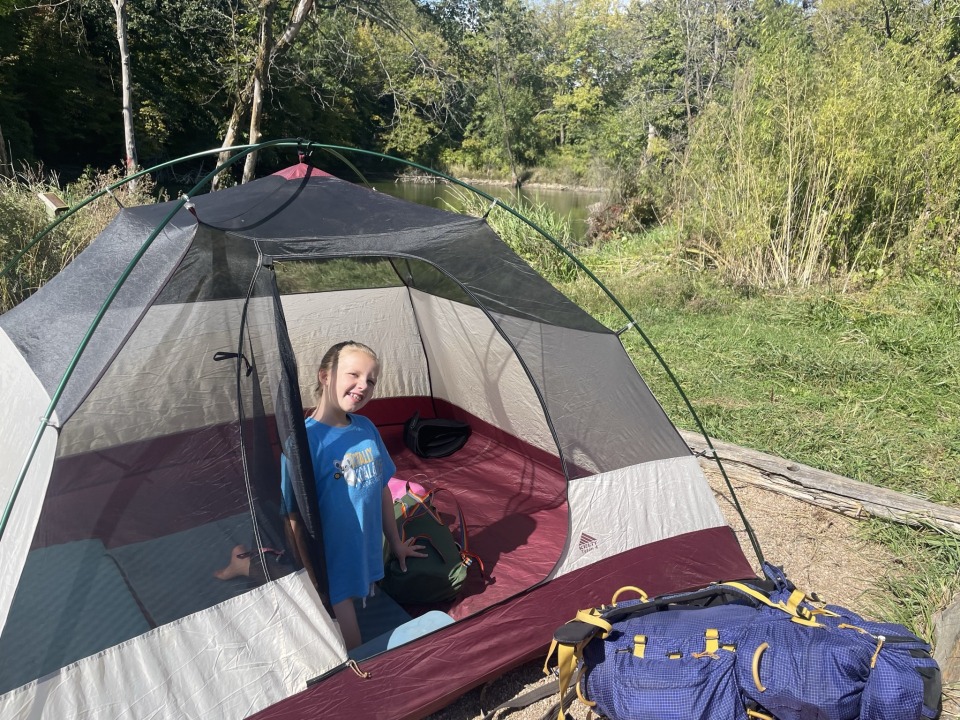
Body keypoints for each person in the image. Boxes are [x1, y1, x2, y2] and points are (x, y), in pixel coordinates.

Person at [215, 340, 424, 650]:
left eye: (371, 380)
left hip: (363, 550)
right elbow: (292, 516)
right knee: (353, 646)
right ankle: (244, 565)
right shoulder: (304, 442)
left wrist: (395, 543)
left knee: (359, 597)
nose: (362, 385)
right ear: (325, 376)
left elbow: (380, 489)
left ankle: (246, 560)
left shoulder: (366, 428)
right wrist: (312, 578)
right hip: (332, 561)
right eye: (353, 374)